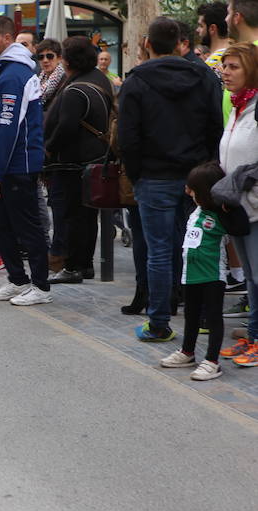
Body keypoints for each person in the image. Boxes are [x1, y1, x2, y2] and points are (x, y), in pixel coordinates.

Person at [119, 17, 224, 342]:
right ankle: (205, 316)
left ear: (148, 44)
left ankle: (160, 322)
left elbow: (128, 138)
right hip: (195, 173)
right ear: (181, 43)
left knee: (160, 252)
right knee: (201, 248)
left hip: (154, 177)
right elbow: (214, 127)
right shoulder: (205, 76)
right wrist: (206, 170)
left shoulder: (135, 81)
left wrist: (137, 175)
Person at [0, 15, 51, 306]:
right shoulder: (9, 70)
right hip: (11, 164)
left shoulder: (12, 75)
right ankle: (18, 279)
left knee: (27, 228)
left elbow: (8, 128)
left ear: (8, 38)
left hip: (17, 166)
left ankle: (41, 287)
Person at [160, 161, 241, 380]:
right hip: (190, 273)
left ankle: (212, 361)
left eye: (192, 188)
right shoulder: (196, 210)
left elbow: (240, 228)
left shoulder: (222, 214)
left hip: (212, 275)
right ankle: (187, 352)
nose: (187, 191)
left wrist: (228, 204)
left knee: (213, 317)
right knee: (191, 314)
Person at [45, 37, 113, 285]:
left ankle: (73, 266)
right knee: (86, 216)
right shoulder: (100, 79)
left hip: (73, 163)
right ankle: (85, 265)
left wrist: (48, 148)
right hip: (94, 160)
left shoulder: (75, 89)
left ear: (68, 60)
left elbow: (66, 127)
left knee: (71, 216)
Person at [217, 43, 258, 365]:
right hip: (239, 208)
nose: (225, 72)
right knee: (252, 278)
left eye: (233, 67)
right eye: (224, 66)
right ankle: (253, 337)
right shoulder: (238, 105)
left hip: (254, 208)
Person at [198, 2, 229, 74]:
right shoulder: (237, 54)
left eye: (201, 26)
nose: (197, 30)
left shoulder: (212, 64)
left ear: (212, 28)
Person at [36, 39, 65, 112]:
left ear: (59, 58)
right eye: (41, 57)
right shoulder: (37, 79)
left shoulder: (65, 80)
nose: (45, 60)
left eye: (50, 56)